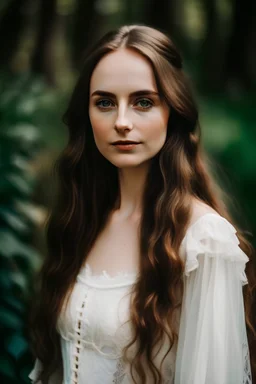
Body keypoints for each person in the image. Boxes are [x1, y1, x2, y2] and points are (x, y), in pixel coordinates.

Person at [28, 24, 255, 384]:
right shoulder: (84, 217)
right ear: (86, 115)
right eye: (104, 102)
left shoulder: (204, 240)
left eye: (143, 102)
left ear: (173, 111)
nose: (121, 121)